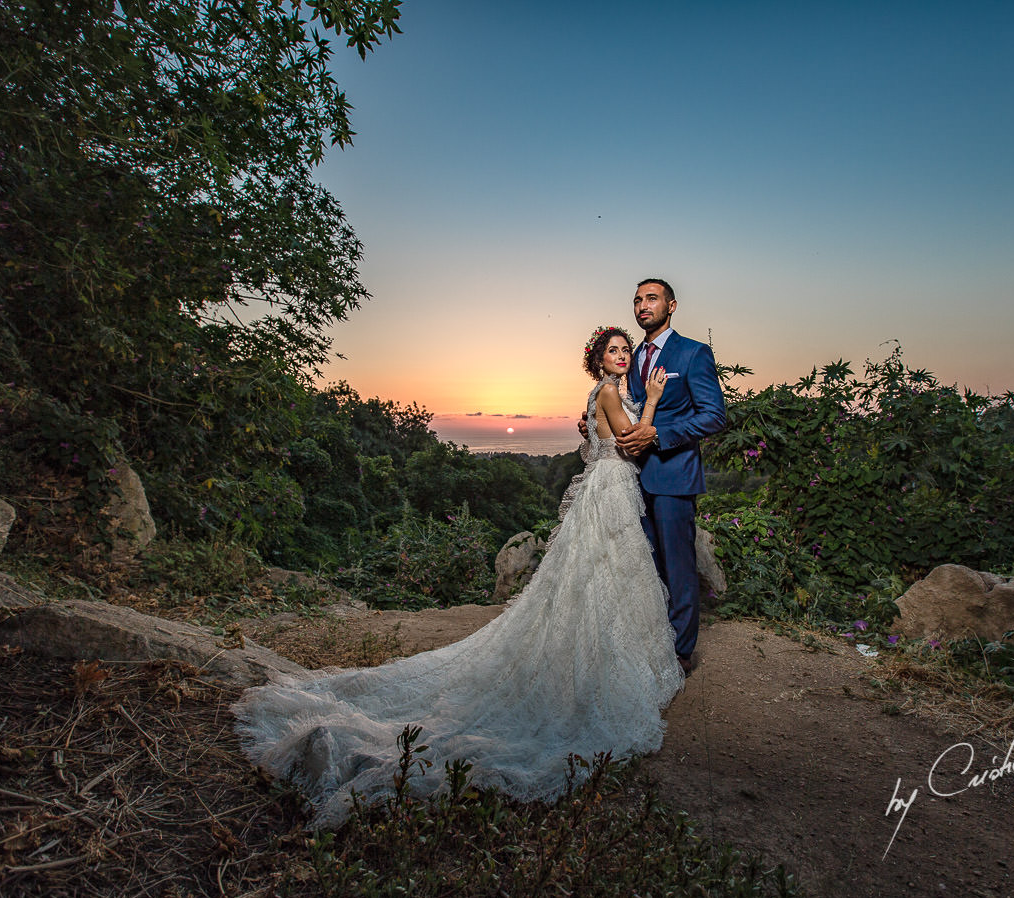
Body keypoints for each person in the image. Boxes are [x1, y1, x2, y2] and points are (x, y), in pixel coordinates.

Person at [232, 326, 683, 826]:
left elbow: (596, 445)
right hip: (613, 490)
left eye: (625, 351)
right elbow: (632, 446)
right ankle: (599, 665)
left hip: (607, 491)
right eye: (613, 351)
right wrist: (656, 400)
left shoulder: (596, 393)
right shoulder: (610, 391)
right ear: (599, 360)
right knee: (602, 576)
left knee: (598, 580)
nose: (621, 357)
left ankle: (604, 652)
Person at [582, 278, 726, 675]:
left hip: (673, 477)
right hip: (628, 480)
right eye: (637, 300)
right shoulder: (630, 357)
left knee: (678, 568)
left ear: (671, 305)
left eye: (652, 298)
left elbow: (714, 415)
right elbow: (619, 410)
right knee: (645, 568)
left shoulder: (693, 353)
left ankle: (679, 654)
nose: (643, 305)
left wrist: (659, 434)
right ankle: (648, 641)